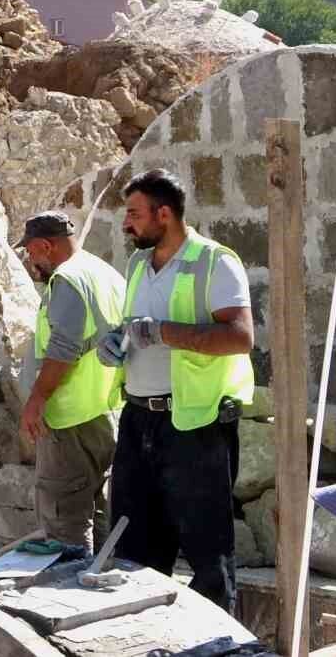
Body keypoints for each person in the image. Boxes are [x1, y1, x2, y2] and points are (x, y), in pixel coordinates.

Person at [97, 168, 253, 610]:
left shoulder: (214, 261)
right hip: (138, 420)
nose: (127, 224)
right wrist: (117, 340)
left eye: (134, 214)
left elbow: (240, 338)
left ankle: (217, 644)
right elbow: (134, 327)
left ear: (164, 214)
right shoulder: (136, 264)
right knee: (132, 548)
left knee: (208, 554)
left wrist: (165, 332)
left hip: (195, 424)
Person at [15, 211, 125, 552]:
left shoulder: (67, 279)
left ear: (45, 246)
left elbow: (64, 347)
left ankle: (68, 595)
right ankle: (101, 582)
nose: (31, 261)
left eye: (31, 252)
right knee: (100, 510)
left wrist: (36, 400)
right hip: (105, 409)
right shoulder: (103, 271)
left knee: (64, 522)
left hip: (68, 419)